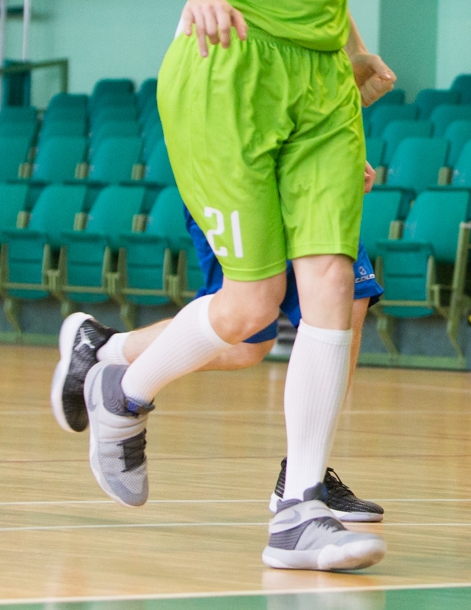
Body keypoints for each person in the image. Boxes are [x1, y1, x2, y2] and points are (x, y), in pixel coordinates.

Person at [72, 0, 416, 572]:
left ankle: (298, 505)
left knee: (333, 284)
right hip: (228, 64)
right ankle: (120, 387)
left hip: (316, 78)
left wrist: (351, 48)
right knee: (250, 308)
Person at [50, 161, 387, 523]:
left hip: (300, 166)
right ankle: (118, 381)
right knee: (245, 317)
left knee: (303, 315)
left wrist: (338, 140)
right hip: (237, 163)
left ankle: (305, 477)